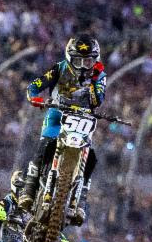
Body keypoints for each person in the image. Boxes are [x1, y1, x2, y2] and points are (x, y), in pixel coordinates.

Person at [18, 34, 106, 224]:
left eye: (88, 61)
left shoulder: (100, 75)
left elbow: (98, 100)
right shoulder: (59, 68)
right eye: (78, 61)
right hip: (58, 113)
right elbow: (34, 86)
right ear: (69, 57)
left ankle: (80, 201)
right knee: (45, 145)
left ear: (95, 60)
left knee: (90, 156)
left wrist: (93, 80)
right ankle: (29, 190)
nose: (83, 66)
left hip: (83, 117)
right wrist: (36, 99)